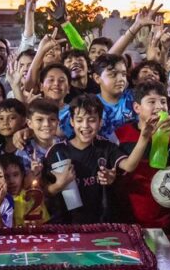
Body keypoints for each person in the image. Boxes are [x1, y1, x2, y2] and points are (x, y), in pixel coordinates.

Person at [114, 81, 170, 231]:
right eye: (151, 101)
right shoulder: (120, 135)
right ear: (137, 107)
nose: (159, 106)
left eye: (163, 101)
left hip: (166, 222)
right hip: (126, 219)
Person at [44, 94, 124, 224]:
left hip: (101, 223)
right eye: (79, 120)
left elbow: (126, 168)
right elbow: (44, 191)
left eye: (91, 120)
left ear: (100, 122)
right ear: (72, 121)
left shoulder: (106, 148)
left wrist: (112, 178)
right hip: (66, 224)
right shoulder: (58, 151)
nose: (85, 125)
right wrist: (59, 185)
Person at [58, 53, 135, 142]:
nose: (121, 79)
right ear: (97, 78)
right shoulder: (86, 104)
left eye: (123, 74)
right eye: (113, 75)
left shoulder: (135, 98)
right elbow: (58, 130)